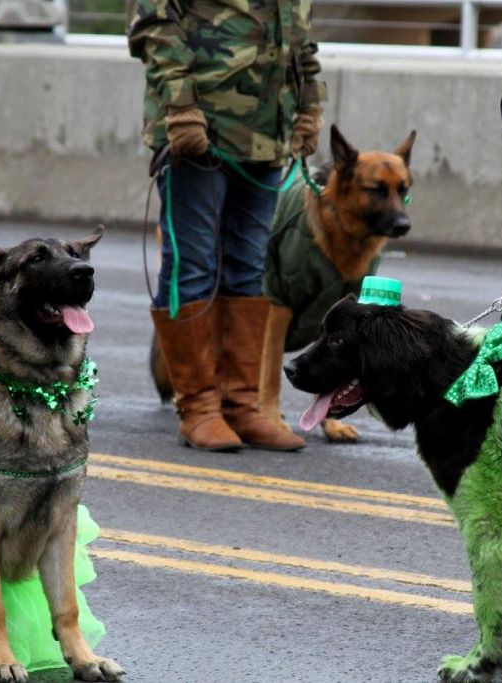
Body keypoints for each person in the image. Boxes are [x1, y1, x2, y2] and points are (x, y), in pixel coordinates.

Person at [127, 0, 325, 453]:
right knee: (193, 264)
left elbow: (300, 41)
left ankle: (241, 404)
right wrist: (180, 110)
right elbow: (154, 27)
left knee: (249, 266)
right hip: (199, 129)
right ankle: (197, 408)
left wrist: (308, 109)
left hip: (266, 134)